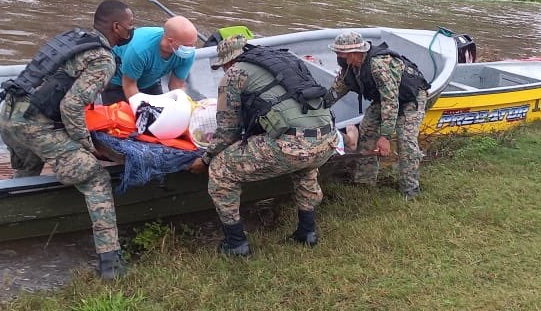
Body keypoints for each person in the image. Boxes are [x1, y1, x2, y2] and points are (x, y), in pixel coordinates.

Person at [0, 0, 136, 280]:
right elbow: (72, 107)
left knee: (27, 173)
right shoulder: (103, 59)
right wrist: (88, 147)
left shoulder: (71, 39)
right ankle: (111, 264)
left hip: (8, 118)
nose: (133, 29)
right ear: (117, 27)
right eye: (130, 25)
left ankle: (8, 236)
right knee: (94, 176)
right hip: (36, 126)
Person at [187, 35, 337, 255]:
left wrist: (206, 159)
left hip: (294, 146)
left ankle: (236, 243)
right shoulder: (285, 61)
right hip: (328, 141)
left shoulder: (234, 74)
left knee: (221, 169)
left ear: (228, 62)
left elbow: (227, 131)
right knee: (305, 167)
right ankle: (308, 232)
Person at [324, 31, 429, 199]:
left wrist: (385, 137)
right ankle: (364, 183)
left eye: (341, 53)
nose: (338, 56)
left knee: (406, 141)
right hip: (385, 99)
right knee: (367, 132)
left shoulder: (378, 65)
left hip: (411, 99)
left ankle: (410, 191)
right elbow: (337, 90)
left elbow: (391, 101)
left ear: (354, 53)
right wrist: (319, 107)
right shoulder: (349, 67)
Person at [101, 15, 198, 106]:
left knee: (159, 114)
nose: (191, 49)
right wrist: (141, 110)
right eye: (187, 45)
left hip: (150, 81)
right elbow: (129, 85)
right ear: (171, 41)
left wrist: (185, 104)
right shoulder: (140, 51)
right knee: (124, 120)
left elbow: (177, 85)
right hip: (119, 82)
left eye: (193, 44)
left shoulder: (187, 53)